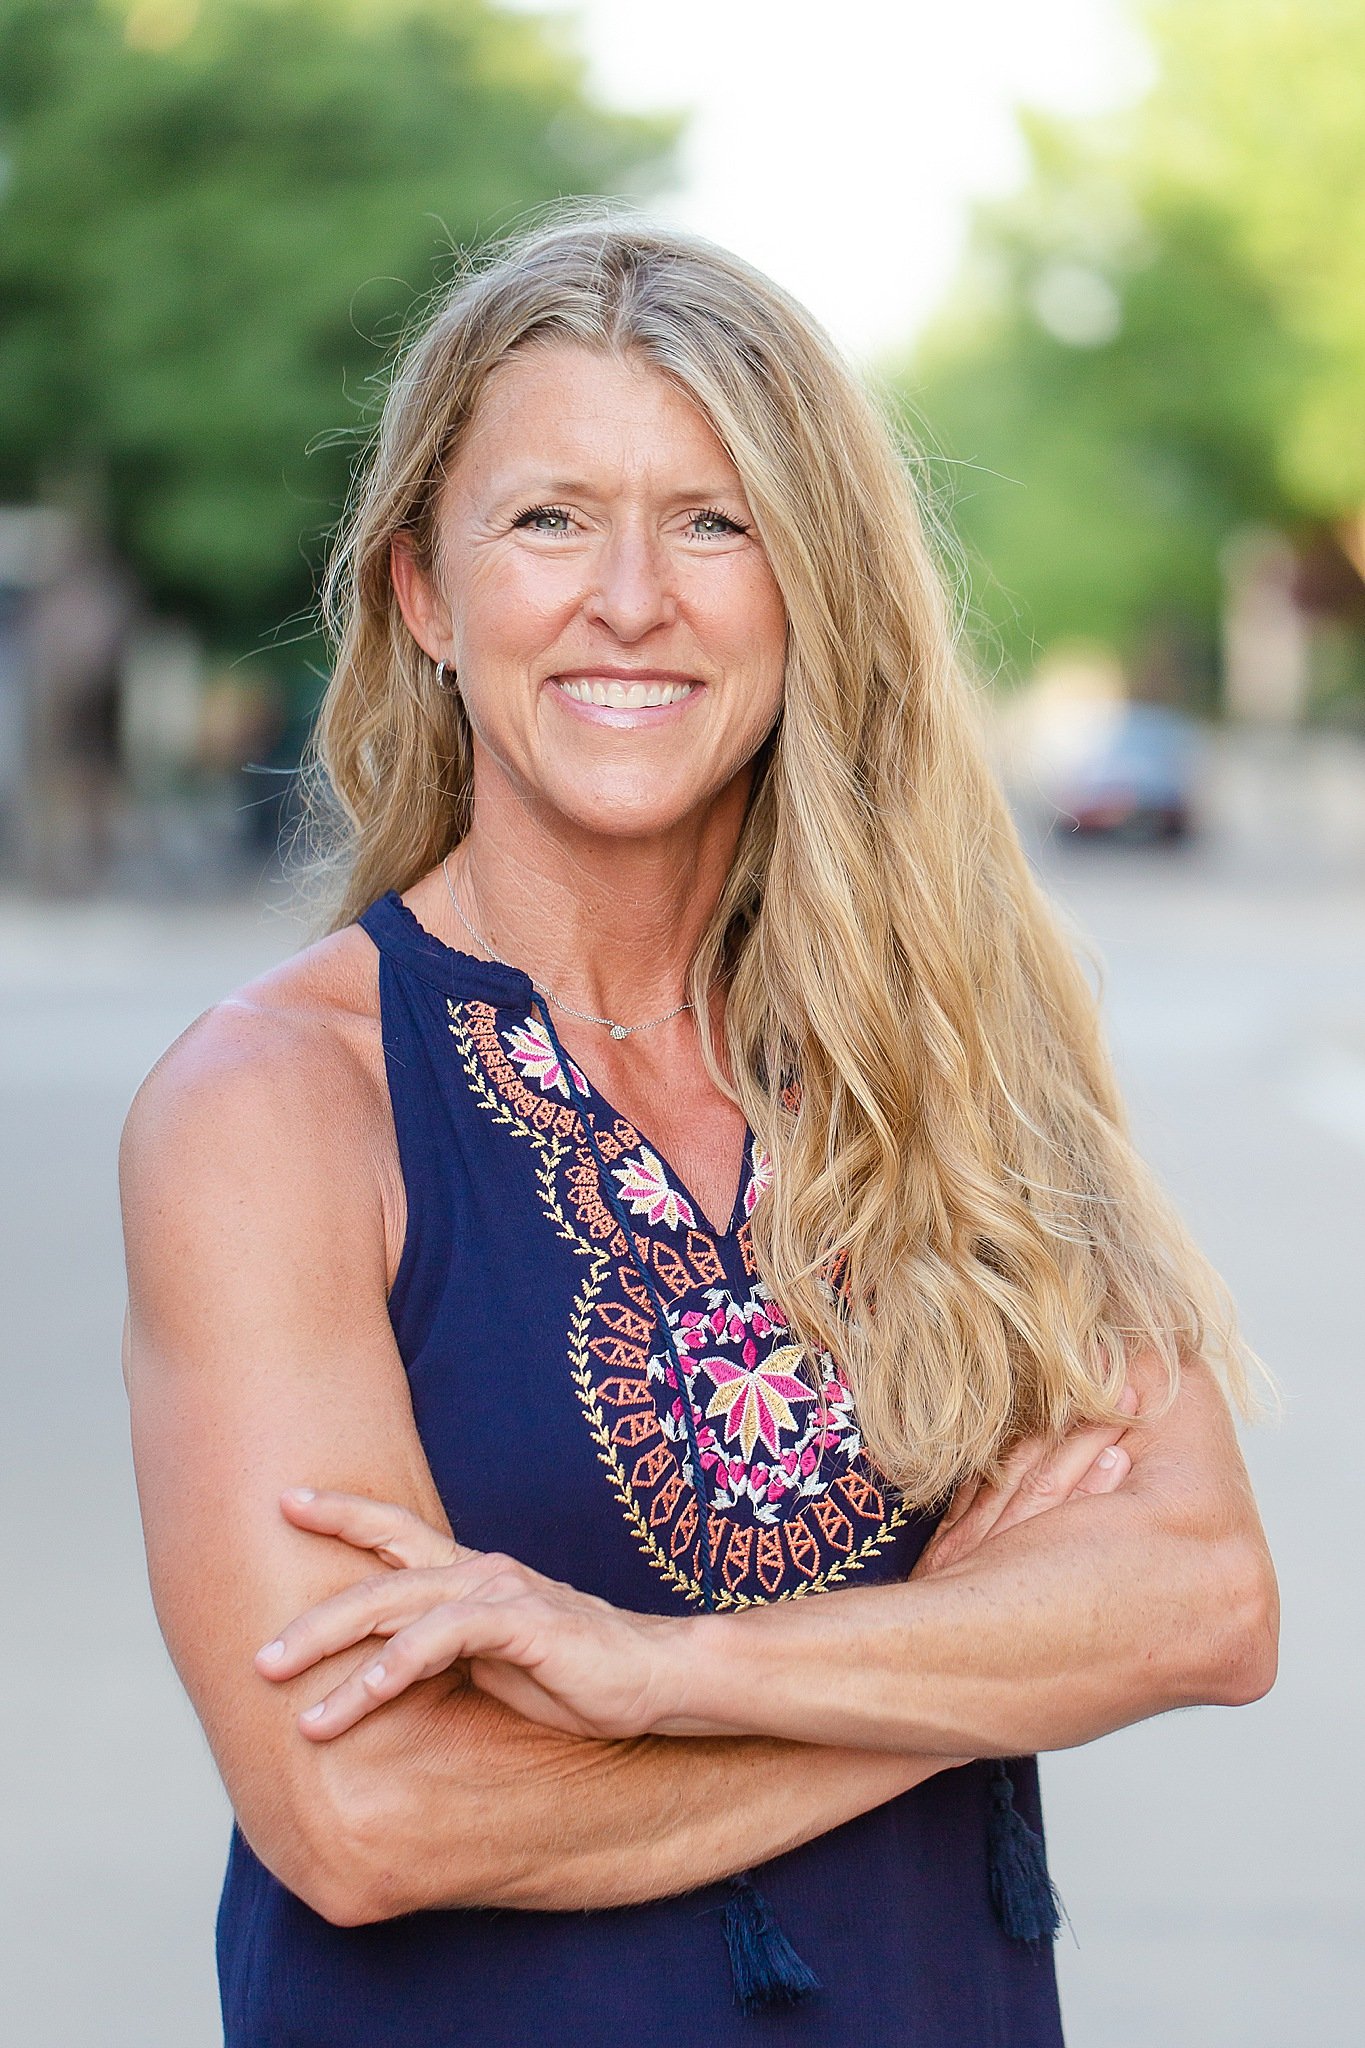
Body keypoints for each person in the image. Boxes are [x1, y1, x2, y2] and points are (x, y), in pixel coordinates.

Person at [120, 213, 1277, 2048]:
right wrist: (967, 1659)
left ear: (811, 585)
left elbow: (1200, 1597)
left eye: (715, 522)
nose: (630, 599)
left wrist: (656, 1672)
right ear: (425, 594)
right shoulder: (276, 1108)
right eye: (547, 519)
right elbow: (366, 1809)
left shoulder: (944, 1052)